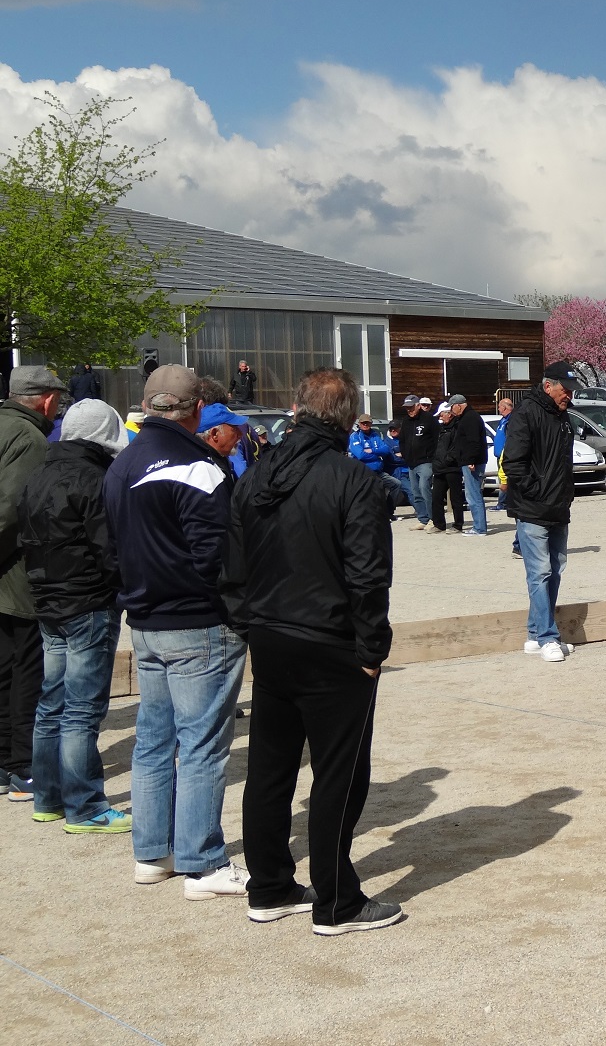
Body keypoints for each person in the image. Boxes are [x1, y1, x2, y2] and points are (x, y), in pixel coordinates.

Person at [223, 367, 400, 935]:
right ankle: (336, 901)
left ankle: (270, 885)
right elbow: (368, 574)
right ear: (347, 417)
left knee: (270, 770)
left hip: (275, 636)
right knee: (337, 774)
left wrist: (249, 623)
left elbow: (231, 564)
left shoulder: (256, 473)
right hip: (328, 641)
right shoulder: (351, 480)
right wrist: (371, 648)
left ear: (298, 410)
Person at [103, 365, 249, 899]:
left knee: (154, 741)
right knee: (202, 745)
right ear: (196, 410)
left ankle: (153, 853)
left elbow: (109, 546)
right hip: (196, 621)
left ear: (147, 405)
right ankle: (203, 863)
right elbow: (217, 553)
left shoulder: (122, 464)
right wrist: (236, 609)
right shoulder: (199, 466)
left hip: (146, 619)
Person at [17, 399, 130, 832]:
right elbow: (108, 548)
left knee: (52, 703)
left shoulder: (38, 473)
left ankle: (47, 797)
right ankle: (85, 806)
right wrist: (122, 590)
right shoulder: (95, 478)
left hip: (48, 599)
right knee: (81, 709)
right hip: (86, 602)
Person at [0, 366, 67, 801]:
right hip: (14, 573)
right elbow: (11, 510)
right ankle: (22, 765)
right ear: (45, 400)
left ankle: (6, 760)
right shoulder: (29, 439)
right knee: (26, 669)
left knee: (5, 668)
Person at [505, 363, 579, 661]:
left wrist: (565, 494)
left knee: (556, 569)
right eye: (565, 390)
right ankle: (549, 636)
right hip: (533, 507)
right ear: (548, 386)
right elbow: (513, 462)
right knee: (540, 572)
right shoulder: (525, 413)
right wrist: (535, 491)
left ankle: (536, 635)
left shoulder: (564, 417)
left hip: (559, 505)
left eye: (571, 391)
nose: (569, 396)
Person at [449, 394, 490, 535]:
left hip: (472, 462)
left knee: (473, 494)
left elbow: (474, 441)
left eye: (452, 408)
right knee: (473, 493)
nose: (451, 411)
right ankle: (479, 526)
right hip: (470, 460)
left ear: (458, 405)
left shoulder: (470, 418)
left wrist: (471, 459)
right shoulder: (467, 417)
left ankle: (479, 528)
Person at [398, 393, 439, 530]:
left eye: (411, 407)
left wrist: (433, 456)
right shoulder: (406, 421)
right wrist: (405, 455)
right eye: (407, 408)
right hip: (411, 462)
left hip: (426, 461)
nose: (409, 410)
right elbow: (402, 440)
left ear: (418, 406)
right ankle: (423, 519)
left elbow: (437, 439)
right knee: (416, 492)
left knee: (424, 488)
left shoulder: (429, 419)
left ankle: (433, 519)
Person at [348, 414, 403, 514]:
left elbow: (385, 450)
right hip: (363, 472)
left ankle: (388, 513)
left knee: (396, 484)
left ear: (371, 423)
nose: (365, 424)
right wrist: (377, 455)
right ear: (359, 424)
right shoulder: (355, 437)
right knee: (371, 493)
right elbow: (360, 455)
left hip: (378, 471)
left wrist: (372, 450)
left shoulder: (375, 435)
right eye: (363, 423)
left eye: (367, 423)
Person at [428, 402, 465, 534]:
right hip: (439, 468)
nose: (440, 417)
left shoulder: (457, 427)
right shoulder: (441, 429)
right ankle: (439, 524)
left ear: (449, 414)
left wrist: (448, 460)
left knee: (456, 498)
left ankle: (458, 525)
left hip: (452, 468)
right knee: (436, 497)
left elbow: (456, 447)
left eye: (442, 415)